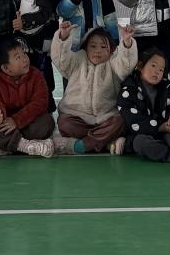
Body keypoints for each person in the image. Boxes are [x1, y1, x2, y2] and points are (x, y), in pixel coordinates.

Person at [50, 19, 136, 154]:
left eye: (103, 47)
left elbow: (126, 65)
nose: (98, 51)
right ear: (85, 48)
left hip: (105, 118)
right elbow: (61, 59)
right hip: (77, 117)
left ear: (111, 50)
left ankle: (81, 146)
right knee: (64, 123)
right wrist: (63, 38)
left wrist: (126, 42)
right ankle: (105, 143)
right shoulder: (77, 60)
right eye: (93, 46)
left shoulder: (114, 64)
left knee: (120, 121)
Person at [0, 37, 55, 159]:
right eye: (17, 57)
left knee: (46, 122)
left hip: (27, 122)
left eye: (24, 54)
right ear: (6, 68)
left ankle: (6, 146)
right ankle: (25, 146)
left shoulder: (36, 75)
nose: (25, 59)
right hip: (6, 125)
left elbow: (40, 103)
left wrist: (16, 121)